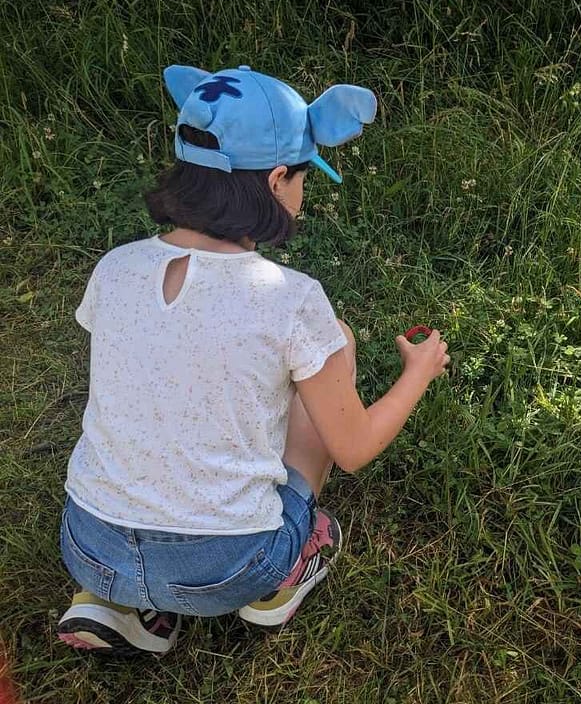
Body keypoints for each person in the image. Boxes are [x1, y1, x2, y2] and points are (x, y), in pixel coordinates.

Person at [56, 65, 450, 655]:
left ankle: (114, 600)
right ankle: (280, 578)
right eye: (303, 178)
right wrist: (417, 374)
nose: (302, 194)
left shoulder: (115, 268)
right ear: (276, 180)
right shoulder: (292, 299)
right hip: (227, 567)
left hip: (88, 546)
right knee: (334, 342)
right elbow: (355, 449)